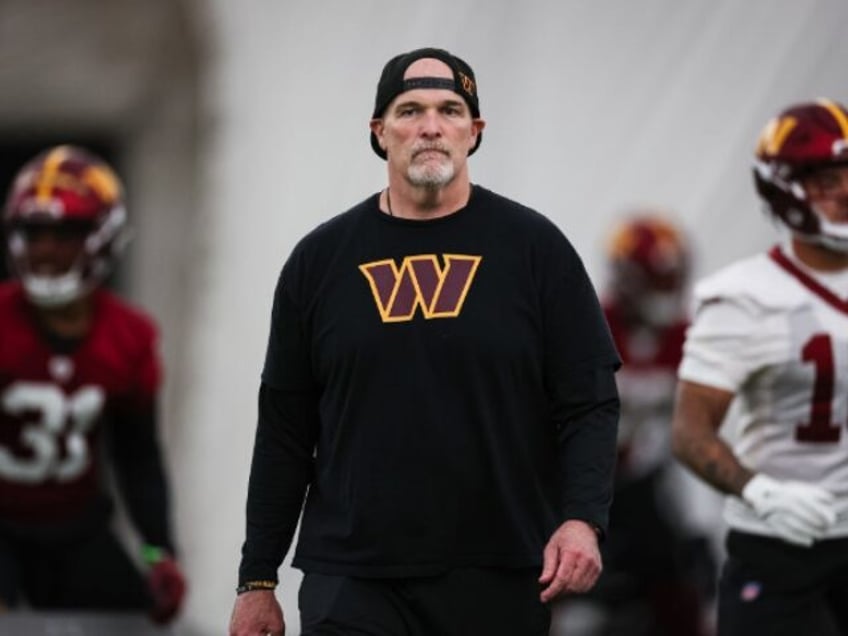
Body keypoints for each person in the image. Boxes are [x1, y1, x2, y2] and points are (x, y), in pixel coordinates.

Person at [228, 46, 621, 636]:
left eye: (450, 110)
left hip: (499, 571)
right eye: (410, 110)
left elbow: (589, 401)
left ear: (475, 131)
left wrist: (583, 520)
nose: (431, 126)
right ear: (379, 131)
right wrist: (258, 577)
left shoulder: (535, 250)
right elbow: (285, 428)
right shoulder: (320, 261)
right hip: (351, 579)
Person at [671, 97, 848, 635]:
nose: (842, 191)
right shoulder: (745, 297)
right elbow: (689, 432)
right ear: (785, 188)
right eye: (823, 179)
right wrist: (760, 491)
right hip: (779, 546)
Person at [0, 145, 187, 624]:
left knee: (136, 618)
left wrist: (158, 549)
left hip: (74, 529)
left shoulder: (128, 335)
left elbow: (137, 454)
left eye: (66, 232)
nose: (45, 248)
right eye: (34, 232)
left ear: (103, 235)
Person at [555, 214, 716, 636]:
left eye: (668, 280)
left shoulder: (686, 337)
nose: (664, 294)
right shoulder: (589, 325)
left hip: (642, 487)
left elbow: (695, 432)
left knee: (680, 578)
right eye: (655, 280)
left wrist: (698, 529)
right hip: (576, 482)